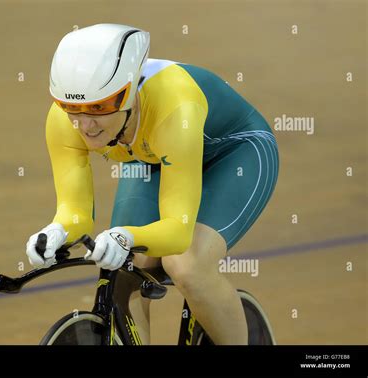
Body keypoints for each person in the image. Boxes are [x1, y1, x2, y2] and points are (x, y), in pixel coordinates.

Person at [26, 23, 279, 345]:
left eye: (100, 108)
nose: (84, 125)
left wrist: (125, 235)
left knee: (186, 265)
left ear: (130, 92)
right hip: (153, 156)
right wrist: (57, 232)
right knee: (123, 270)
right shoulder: (64, 120)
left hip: (235, 153)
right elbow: (75, 211)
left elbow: (177, 230)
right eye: (71, 108)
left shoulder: (176, 106)